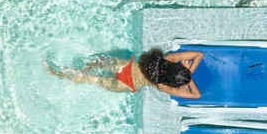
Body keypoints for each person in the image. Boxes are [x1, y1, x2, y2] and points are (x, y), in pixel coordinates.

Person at [42, 48, 204, 99]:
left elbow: (199, 55)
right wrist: (187, 80)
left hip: (126, 67)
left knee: (98, 61)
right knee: (91, 80)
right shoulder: (164, 87)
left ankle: (77, 70)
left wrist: (187, 71)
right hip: (126, 84)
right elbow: (196, 95)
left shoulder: (170, 58)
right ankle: (55, 73)